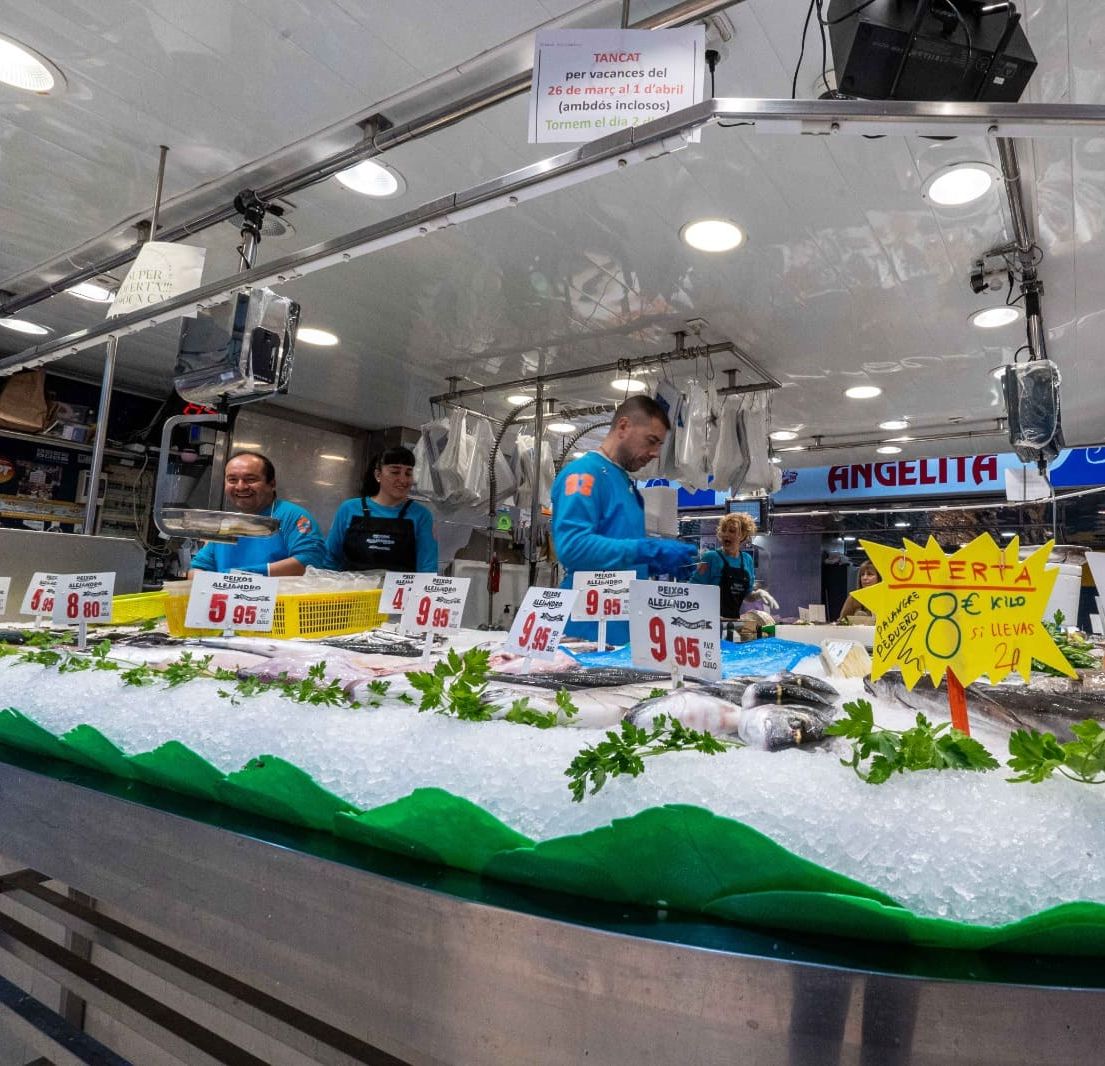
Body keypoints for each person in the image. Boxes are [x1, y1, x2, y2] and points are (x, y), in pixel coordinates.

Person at [551, 395, 698, 643]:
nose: (654, 453)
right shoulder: (583, 474)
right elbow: (572, 547)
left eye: (660, 445)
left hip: (620, 625)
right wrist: (647, 550)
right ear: (623, 427)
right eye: (651, 441)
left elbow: (619, 550)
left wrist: (654, 565)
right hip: (584, 630)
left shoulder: (623, 482)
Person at [188, 451, 327, 576]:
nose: (240, 486)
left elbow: (310, 561)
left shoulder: (294, 516)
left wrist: (245, 576)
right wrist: (220, 581)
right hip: (228, 601)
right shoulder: (226, 524)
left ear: (272, 484)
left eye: (250, 479)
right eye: (232, 480)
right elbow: (197, 568)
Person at [326, 446, 438, 573]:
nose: (403, 479)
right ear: (378, 475)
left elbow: (427, 568)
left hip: (401, 592)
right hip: (351, 591)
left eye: (408, 473)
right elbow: (330, 560)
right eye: (395, 472)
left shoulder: (421, 515)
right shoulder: (349, 509)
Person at [691, 511, 757, 619]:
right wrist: (709, 615)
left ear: (742, 535)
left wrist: (757, 595)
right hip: (709, 622)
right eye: (724, 530)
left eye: (731, 531)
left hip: (734, 622)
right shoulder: (709, 558)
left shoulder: (747, 560)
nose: (726, 534)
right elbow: (692, 589)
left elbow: (747, 594)